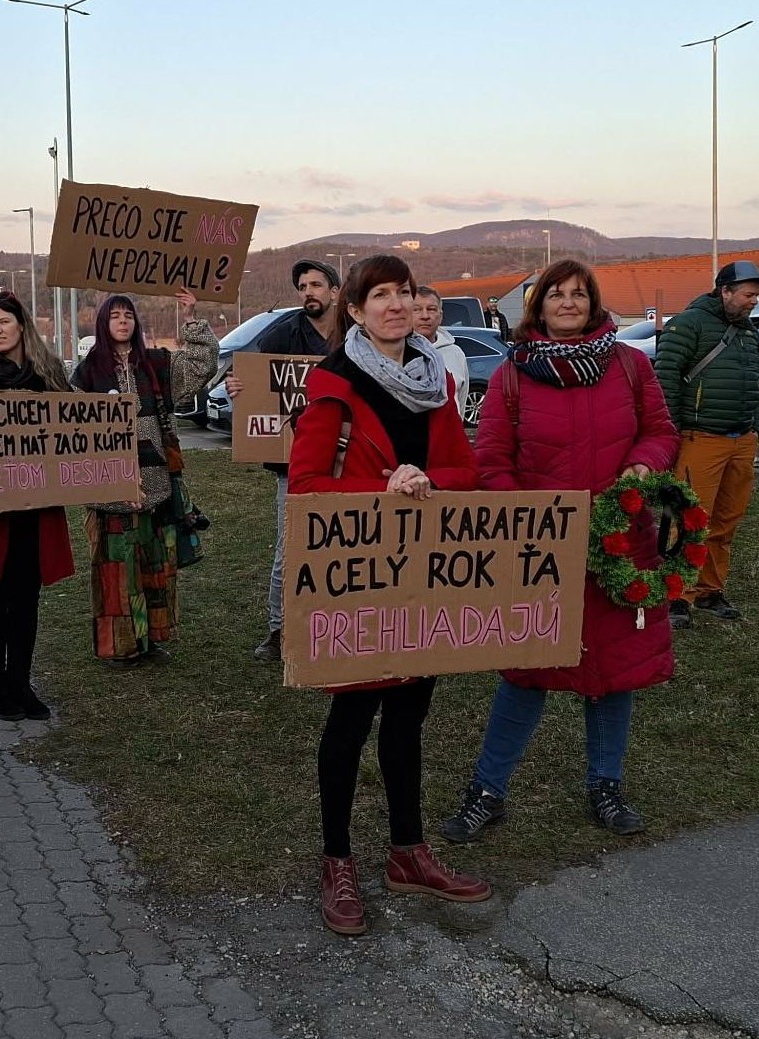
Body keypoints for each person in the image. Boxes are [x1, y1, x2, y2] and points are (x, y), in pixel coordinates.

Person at [440, 260, 680, 844]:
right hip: (542, 551)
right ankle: (487, 791)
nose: (567, 302)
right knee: (526, 672)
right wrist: (528, 522)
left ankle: (606, 786)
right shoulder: (512, 376)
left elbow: (661, 431)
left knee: (612, 672)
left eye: (578, 294)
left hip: (620, 541)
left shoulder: (630, 365)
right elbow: (492, 461)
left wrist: (640, 469)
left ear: (593, 302)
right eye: (556, 294)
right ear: (538, 305)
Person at [287, 254, 490, 936]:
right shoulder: (333, 385)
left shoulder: (434, 382)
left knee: (407, 717)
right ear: (354, 309)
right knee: (349, 722)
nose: (396, 304)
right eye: (380, 294)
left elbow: (466, 469)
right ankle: (336, 861)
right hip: (358, 579)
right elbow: (307, 485)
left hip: (419, 578)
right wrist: (381, 490)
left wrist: (426, 479)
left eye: (403, 292)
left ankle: (408, 850)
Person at [70, 290, 218, 665]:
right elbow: (72, 433)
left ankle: (151, 639)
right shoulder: (87, 373)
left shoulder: (156, 364)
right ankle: (121, 646)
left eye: (128, 315)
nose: (122, 321)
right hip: (109, 491)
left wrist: (191, 317)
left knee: (156, 569)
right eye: (114, 316)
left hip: (156, 485)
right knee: (117, 573)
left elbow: (202, 366)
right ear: (103, 324)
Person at [0, 292, 76, 721]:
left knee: (26, 598)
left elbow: (73, 431)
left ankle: (22, 684)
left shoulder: (50, 375)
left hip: (36, 503)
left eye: (3, 322)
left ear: (21, 323)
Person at [224, 259, 342, 662]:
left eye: (316, 284)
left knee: (338, 544)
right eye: (302, 286)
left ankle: (330, 624)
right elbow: (253, 368)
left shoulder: (352, 334)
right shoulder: (285, 330)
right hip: (292, 462)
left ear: (335, 291)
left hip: (345, 458)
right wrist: (237, 383)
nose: (308, 291)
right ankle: (279, 630)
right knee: (289, 546)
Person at [652, 260, 759, 629]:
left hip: (741, 440)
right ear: (725, 291)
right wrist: (670, 431)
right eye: (749, 294)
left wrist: (756, 424)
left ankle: (709, 590)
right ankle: (677, 597)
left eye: (756, 295)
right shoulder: (689, 325)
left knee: (725, 521)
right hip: (700, 438)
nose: (754, 301)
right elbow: (665, 377)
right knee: (689, 520)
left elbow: (752, 383)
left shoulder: (749, 333)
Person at [410, 285, 471, 405]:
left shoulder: (456, 353)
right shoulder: (397, 352)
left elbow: (461, 401)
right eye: (416, 309)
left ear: (441, 316)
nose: (425, 316)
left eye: (431, 309)